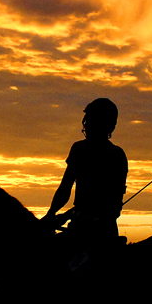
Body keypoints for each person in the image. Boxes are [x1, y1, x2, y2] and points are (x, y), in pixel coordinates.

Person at [41, 98, 128, 260]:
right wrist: (57, 214)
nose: (86, 126)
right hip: (101, 232)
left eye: (90, 121)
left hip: (88, 234)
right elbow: (111, 204)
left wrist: (52, 215)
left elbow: (66, 189)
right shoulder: (117, 155)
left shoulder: (80, 150)